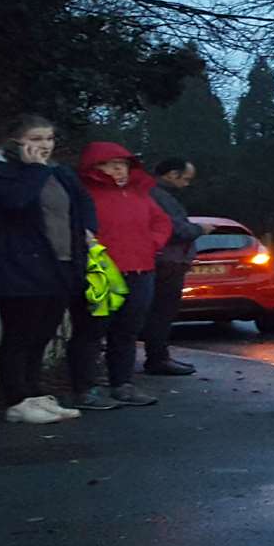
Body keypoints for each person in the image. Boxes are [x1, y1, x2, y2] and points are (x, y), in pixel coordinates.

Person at [0, 115, 92, 425]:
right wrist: (34, 170)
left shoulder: (59, 173)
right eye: (36, 139)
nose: (44, 146)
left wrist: (88, 232)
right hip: (18, 266)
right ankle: (16, 399)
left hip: (59, 265)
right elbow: (15, 203)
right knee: (18, 334)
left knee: (41, 334)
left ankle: (35, 394)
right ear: (16, 141)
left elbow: (81, 206)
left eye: (49, 139)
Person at [67, 142, 172, 410]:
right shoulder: (83, 194)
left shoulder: (138, 194)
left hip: (140, 270)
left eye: (124, 163)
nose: (120, 168)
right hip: (100, 272)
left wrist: (152, 244)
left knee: (127, 331)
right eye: (112, 163)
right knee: (91, 331)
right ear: (95, 167)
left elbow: (161, 222)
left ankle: (122, 384)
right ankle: (84, 389)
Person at [142, 158, 206, 376]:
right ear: (171, 174)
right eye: (185, 179)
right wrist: (199, 229)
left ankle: (159, 357)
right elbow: (173, 230)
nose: (187, 184)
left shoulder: (155, 194)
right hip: (167, 261)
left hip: (165, 261)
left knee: (159, 313)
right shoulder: (159, 196)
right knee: (162, 312)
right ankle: (158, 359)